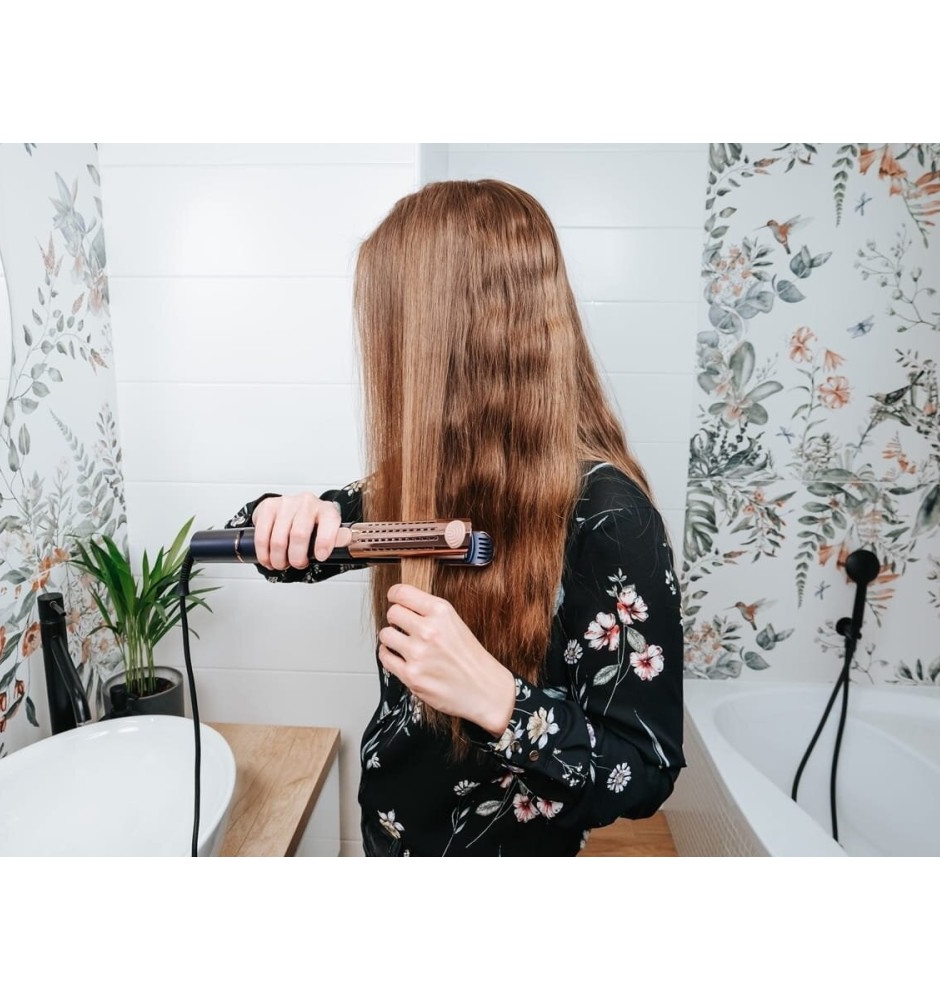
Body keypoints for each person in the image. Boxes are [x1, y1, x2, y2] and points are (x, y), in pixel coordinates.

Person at [227, 179, 684, 856]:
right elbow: (284, 549)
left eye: (393, 327)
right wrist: (279, 517)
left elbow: (645, 768)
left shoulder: (609, 519)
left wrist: (501, 702)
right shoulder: (421, 484)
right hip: (388, 834)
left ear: (453, 340)